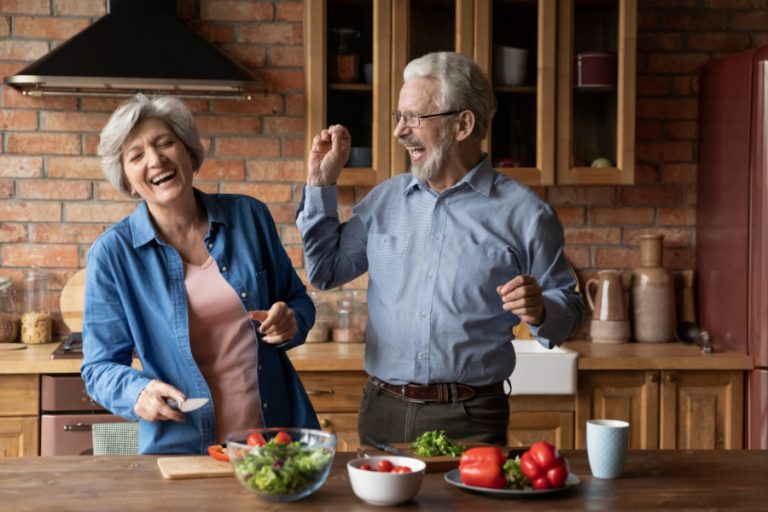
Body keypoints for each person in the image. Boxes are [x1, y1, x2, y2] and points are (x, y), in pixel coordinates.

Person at [297, 52, 585, 446]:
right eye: (399, 116)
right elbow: (323, 272)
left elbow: (569, 313)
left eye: (414, 117)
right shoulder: (384, 201)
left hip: (472, 418)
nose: (399, 131)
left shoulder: (527, 214)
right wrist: (320, 184)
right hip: (383, 411)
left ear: (463, 124)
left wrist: (541, 309)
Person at [81, 94, 319, 454]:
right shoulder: (113, 254)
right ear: (128, 181)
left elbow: (298, 301)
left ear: (189, 154)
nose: (156, 159)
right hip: (183, 448)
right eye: (137, 156)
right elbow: (98, 368)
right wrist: (137, 392)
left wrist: (291, 321)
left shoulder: (249, 217)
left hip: (275, 441)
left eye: (165, 143)